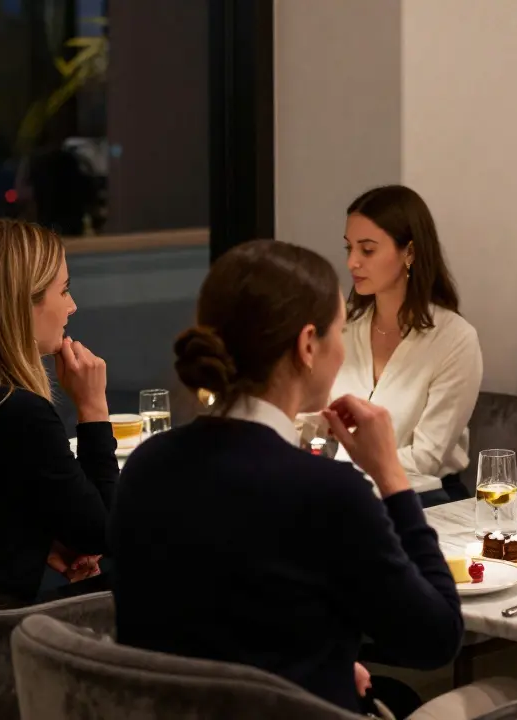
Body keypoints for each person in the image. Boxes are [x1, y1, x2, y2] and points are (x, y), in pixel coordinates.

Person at [111, 241, 466, 715]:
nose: (342, 349)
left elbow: (211, 629)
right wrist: (392, 477)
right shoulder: (329, 494)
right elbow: (436, 638)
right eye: (340, 331)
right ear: (307, 345)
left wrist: (324, 663)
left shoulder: (146, 467)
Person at [0, 218, 114, 609]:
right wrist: (92, 409)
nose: (72, 306)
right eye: (64, 290)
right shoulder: (16, 411)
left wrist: (34, 539)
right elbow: (104, 532)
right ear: (22, 303)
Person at [331, 185, 482, 505]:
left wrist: (349, 476)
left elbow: (428, 457)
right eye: (349, 249)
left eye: (367, 250)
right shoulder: (344, 332)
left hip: (427, 500)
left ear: (409, 253)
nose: (352, 263)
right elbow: (314, 422)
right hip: (349, 496)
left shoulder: (455, 339)